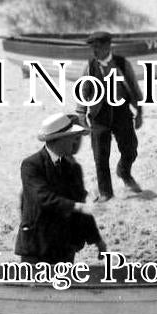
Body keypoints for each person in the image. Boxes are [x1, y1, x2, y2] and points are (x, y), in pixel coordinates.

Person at [14, 113, 108, 264]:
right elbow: (42, 198)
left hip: (64, 246)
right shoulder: (31, 165)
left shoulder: (73, 168)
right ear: (60, 139)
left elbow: (82, 207)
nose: (77, 142)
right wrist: (78, 207)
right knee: (36, 288)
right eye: (73, 137)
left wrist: (97, 240)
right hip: (37, 247)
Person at [76, 31, 143, 201]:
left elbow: (134, 88)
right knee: (100, 156)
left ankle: (124, 172)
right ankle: (105, 192)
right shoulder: (90, 67)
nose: (94, 51)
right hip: (99, 116)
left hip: (122, 114)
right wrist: (81, 114)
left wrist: (139, 111)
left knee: (130, 150)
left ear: (108, 46)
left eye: (97, 47)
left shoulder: (122, 64)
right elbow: (83, 91)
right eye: (92, 47)